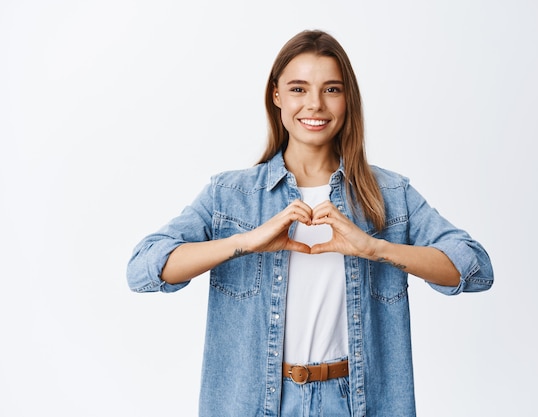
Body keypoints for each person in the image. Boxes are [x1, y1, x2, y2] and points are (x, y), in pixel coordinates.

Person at [127, 29, 493, 417]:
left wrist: (375, 248)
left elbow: (476, 269)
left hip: (356, 402)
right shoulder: (230, 194)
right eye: (299, 89)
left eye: (331, 89)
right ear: (277, 96)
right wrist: (246, 241)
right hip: (256, 403)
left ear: (347, 97)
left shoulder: (389, 193)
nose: (315, 105)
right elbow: (142, 269)